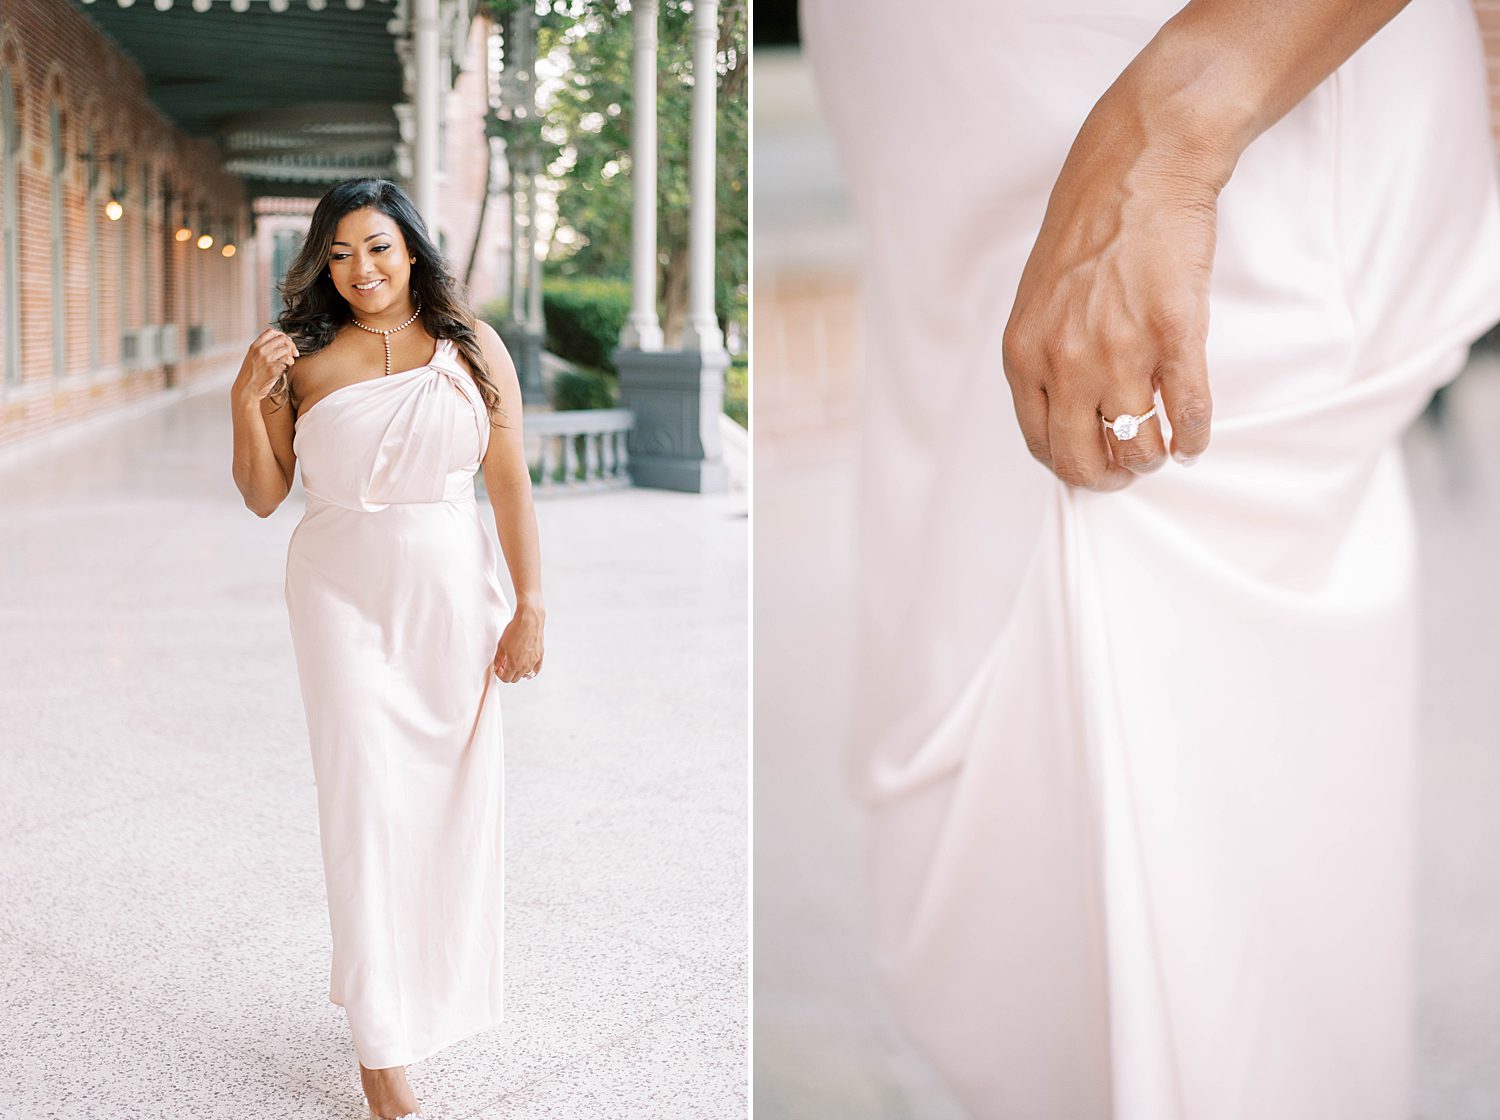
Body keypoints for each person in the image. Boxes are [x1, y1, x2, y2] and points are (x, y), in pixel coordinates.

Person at [801, 0, 1500, 1116]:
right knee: (1031, 895)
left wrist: (1172, 127)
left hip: (1211, 139)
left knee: (1189, 922)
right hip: (966, 186)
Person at [228, 178, 544, 1120]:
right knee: (361, 802)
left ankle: (416, 994)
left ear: (411, 249)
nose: (359, 270)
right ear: (322, 265)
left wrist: (530, 606)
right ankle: (380, 1053)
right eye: (338, 253)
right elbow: (260, 493)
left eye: (376, 247)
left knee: (447, 805)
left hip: (451, 592)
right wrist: (249, 400)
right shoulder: (304, 357)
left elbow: (511, 480)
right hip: (338, 589)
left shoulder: (472, 346)